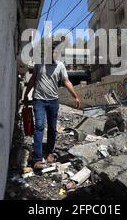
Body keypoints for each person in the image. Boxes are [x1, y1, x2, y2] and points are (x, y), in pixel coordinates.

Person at [23, 42, 80, 170]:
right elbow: (33, 79)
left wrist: (75, 96)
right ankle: (37, 158)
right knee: (39, 126)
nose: (53, 53)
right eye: (51, 51)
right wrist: (26, 95)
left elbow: (66, 81)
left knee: (52, 128)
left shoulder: (60, 66)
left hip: (53, 101)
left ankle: (50, 152)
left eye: (55, 51)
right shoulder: (39, 63)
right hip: (39, 100)